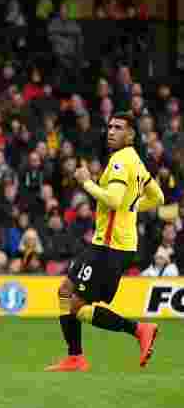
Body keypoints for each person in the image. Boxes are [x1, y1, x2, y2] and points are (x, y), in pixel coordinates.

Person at [46, 112, 164, 372]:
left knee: (75, 304)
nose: (111, 131)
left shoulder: (122, 161)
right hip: (108, 244)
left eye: (118, 128)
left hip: (110, 247)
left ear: (131, 134)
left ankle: (138, 330)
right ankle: (75, 356)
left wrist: (86, 182)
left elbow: (112, 200)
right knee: (66, 292)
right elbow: (157, 198)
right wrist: (130, 208)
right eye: (110, 126)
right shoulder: (135, 161)